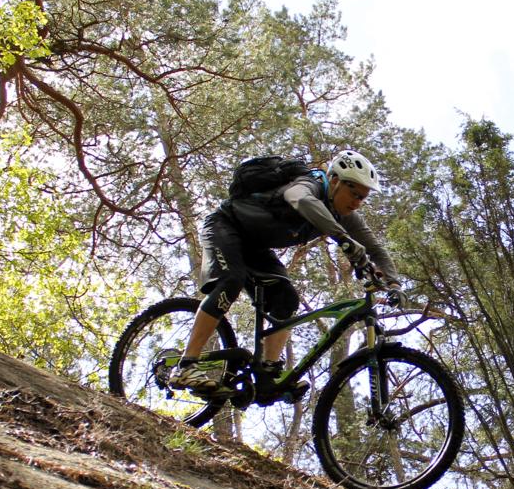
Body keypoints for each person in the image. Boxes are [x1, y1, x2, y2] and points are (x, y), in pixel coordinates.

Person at [170, 149, 400, 403]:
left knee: (286, 300)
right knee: (231, 281)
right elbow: (299, 199)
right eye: (354, 193)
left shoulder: (343, 214)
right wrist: (342, 238)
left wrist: (394, 282)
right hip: (225, 225)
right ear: (334, 180)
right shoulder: (309, 183)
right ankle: (185, 365)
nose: (357, 202)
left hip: (255, 246)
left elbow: (375, 248)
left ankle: (268, 376)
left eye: (363, 198)